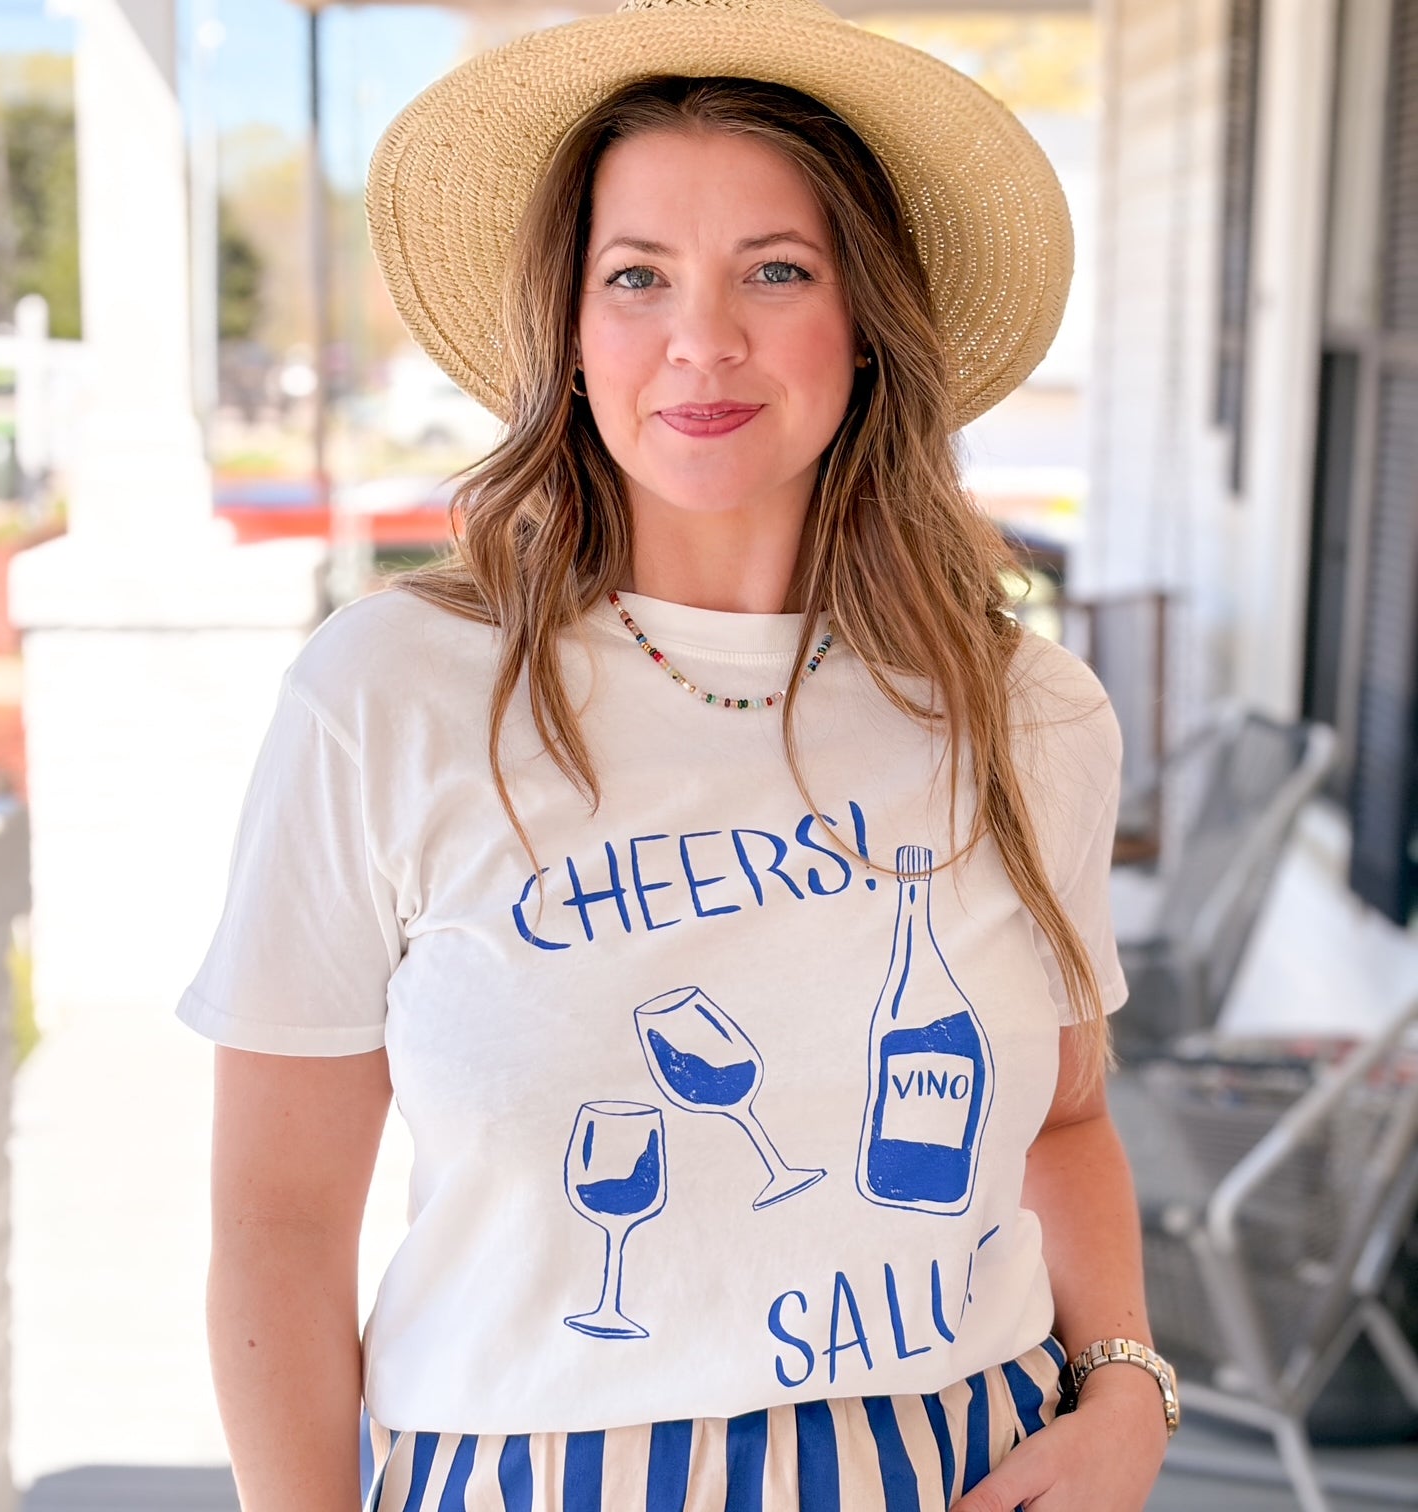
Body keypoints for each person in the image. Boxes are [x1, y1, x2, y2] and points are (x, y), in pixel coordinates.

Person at [177, 1, 1178, 1508]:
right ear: (571, 340)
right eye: (636, 276)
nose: (701, 339)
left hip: (957, 1461)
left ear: (866, 328)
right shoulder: (393, 691)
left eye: (777, 271)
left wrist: (1127, 1395)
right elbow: (276, 1219)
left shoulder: (1026, 714)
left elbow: (1072, 1118)